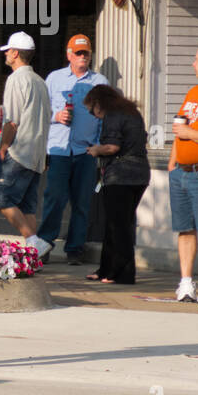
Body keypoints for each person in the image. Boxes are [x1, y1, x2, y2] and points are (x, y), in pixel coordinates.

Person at [37, 34, 110, 264]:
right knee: (54, 199)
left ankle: (75, 250)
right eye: (78, 53)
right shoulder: (54, 79)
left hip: (85, 152)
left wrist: (98, 147)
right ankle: (44, 245)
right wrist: (56, 116)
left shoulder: (100, 82)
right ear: (68, 54)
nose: (82, 57)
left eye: (85, 53)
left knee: (82, 203)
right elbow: (40, 112)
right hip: (58, 150)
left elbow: (104, 119)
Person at [0, 32, 51, 254]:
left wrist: (4, 145)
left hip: (18, 151)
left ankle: (34, 242)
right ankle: (35, 255)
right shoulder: (40, 82)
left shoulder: (16, 79)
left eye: (8, 50)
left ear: (15, 53)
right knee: (27, 206)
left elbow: (13, 121)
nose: (5, 54)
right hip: (37, 153)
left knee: (2, 197)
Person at [82, 85, 150, 284]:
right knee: (119, 223)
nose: (93, 115)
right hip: (140, 174)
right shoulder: (132, 112)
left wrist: (96, 150)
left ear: (98, 103)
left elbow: (112, 147)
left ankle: (122, 272)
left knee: (117, 226)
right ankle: (106, 269)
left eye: (91, 109)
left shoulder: (113, 115)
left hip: (120, 175)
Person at [167, 40, 198, 303]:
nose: (193, 63)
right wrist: (173, 162)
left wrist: (190, 133)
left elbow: (187, 131)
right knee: (185, 229)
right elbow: (178, 128)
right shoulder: (193, 92)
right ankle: (185, 283)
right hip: (182, 172)